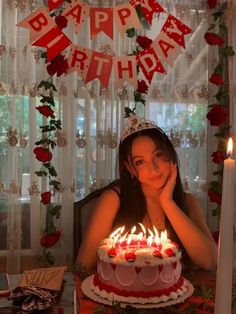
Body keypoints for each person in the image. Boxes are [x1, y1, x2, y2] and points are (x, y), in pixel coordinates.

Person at [76, 115, 217, 272]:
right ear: (130, 169)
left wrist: (168, 203)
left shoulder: (189, 201)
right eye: (140, 162)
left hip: (177, 294)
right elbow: (83, 267)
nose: (154, 168)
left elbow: (210, 261)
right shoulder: (113, 199)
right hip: (120, 294)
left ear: (170, 155)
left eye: (158, 155)